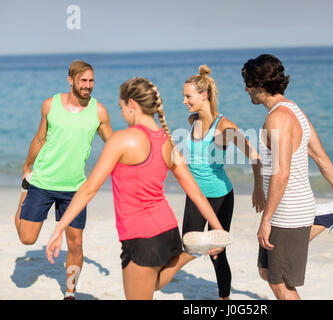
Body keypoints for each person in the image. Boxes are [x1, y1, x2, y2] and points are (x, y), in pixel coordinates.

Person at [46, 77, 226, 300]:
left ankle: (191, 252)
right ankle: (190, 252)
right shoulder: (166, 141)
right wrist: (218, 230)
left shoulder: (122, 139)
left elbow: (89, 189)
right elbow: (196, 192)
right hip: (167, 231)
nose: (121, 113)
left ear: (132, 104)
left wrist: (59, 227)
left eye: (121, 107)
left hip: (141, 236)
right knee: (154, 283)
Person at [241, 54, 333, 300]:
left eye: (248, 84)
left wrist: (267, 219)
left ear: (260, 86)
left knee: (281, 284)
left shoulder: (279, 118)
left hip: (287, 213)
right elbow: (321, 157)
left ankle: (321, 220)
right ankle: (324, 218)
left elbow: (281, 173)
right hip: (292, 208)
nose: (245, 89)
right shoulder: (295, 110)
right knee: (265, 271)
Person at [14, 60, 113, 300]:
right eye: (83, 81)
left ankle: (70, 292)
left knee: (76, 243)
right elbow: (39, 139)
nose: (88, 86)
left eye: (91, 81)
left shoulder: (98, 111)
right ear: (71, 80)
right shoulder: (51, 105)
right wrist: (28, 166)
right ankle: (23, 197)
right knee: (27, 238)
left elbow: (113, 145)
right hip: (41, 183)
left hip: (75, 189)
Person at [181, 65, 266, 300]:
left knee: (217, 254)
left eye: (188, 96)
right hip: (195, 195)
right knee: (189, 244)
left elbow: (254, 156)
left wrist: (257, 188)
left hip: (219, 195)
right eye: (184, 97)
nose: (185, 102)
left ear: (203, 95)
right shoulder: (192, 119)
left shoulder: (224, 127)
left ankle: (224, 299)